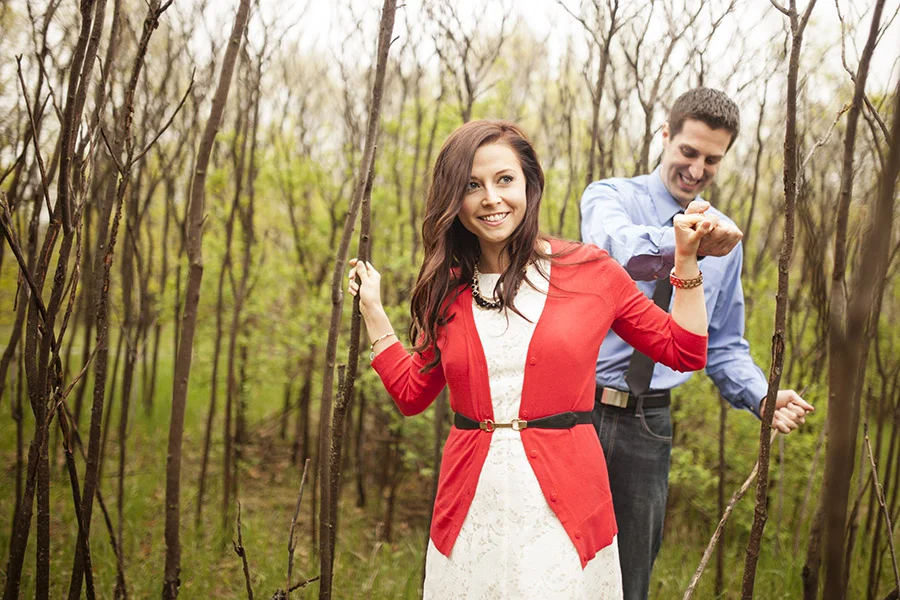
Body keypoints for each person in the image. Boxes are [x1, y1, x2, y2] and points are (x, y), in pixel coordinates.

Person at [349, 119, 719, 599]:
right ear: (453, 200)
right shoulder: (448, 291)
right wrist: (374, 312)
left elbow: (685, 350)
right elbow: (412, 394)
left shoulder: (590, 271)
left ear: (529, 183)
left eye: (504, 180)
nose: (491, 198)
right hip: (469, 507)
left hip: (567, 506)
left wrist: (686, 262)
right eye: (471, 186)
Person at [580, 87, 816, 600]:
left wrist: (761, 394)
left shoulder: (727, 242)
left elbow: (725, 345)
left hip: (649, 424)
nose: (697, 168)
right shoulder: (611, 196)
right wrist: (685, 246)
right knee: (558, 559)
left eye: (712, 159)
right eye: (688, 152)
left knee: (629, 576)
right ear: (665, 137)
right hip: (573, 410)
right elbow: (614, 251)